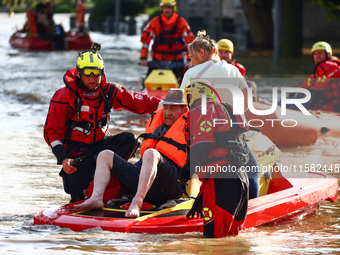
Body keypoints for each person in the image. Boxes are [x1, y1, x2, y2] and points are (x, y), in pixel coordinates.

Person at [44, 43, 161, 202]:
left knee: (130, 140)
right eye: (87, 73)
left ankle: (111, 183)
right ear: (79, 73)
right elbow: (51, 132)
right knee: (76, 190)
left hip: (101, 146)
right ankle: (85, 190)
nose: (92, 78)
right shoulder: (64, 97)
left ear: (102, 72)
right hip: (76, 153)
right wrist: (64, 159)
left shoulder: (109, 91)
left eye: (97, 73)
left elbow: (137, 102)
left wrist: (168, 106)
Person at [74, 89, 189, 218]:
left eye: (173, 109)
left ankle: (137, 202)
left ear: (185, 111)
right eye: (166, 108)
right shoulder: (158, 126)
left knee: (151, 153)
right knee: (105, 155)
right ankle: (96, 198)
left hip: (170, 184)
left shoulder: (192, 128)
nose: (167, 113)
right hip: (143, 179)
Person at [180, 30, 260, 199]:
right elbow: (246, 102)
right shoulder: (233, 70)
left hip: (203, 135)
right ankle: (251, 205)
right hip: (232, 134)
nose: (191, 61)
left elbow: (181, 104)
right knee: (253, 170)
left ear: (202, 53)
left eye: (192, 57)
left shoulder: (191, 74)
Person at [177, 80, 249, 238]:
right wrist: (201, 197)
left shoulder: (199, 110)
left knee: (213, 241)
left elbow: (201, 146)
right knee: (231, 239)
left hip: (221, 180)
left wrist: (182, 177)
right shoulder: (225, 110)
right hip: (241, 179)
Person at [140, 0, 195, 81]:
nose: (167, 10)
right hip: (157, 60)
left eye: (169, 7)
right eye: (165, 7)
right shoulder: (155, 22)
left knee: (183, 82)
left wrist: (190, 60)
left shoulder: (181, 22)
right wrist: (143, 58)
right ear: (162, 8)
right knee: (147, 81)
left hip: (176, 60)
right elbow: (145, 40)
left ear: (173, 8)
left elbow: (190, 42)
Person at [297, 41, 340, 112]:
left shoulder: (329, 66)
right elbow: (305, 84)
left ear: (328, 54)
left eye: (320, 53)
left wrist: (309, 106)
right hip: (329, 103)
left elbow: (318, 90)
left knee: (312, 108)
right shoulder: (318, 72)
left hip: (336, 105)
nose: (317, 56)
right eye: (315, 54)